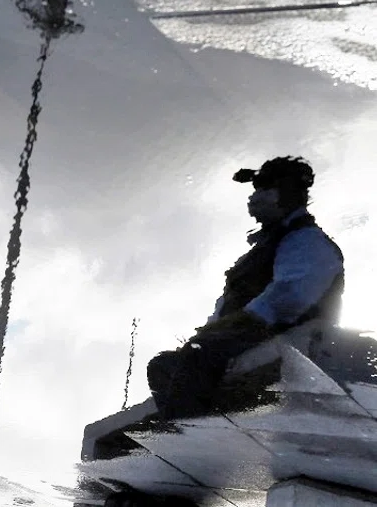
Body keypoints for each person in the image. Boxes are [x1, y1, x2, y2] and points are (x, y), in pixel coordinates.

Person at [146, 155, 344, 421]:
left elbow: (292, 295)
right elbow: (228, 304)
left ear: (285, 192)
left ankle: (192, 437)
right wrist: (213, 328)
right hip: (245, 338)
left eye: (265, 189)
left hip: (287, 335)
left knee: (199, 355)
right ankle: (195, 431)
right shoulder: (263, 248)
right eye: (257, 189)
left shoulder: (306, 240)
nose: (256, 197)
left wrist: (238, 324)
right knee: (164, 366)